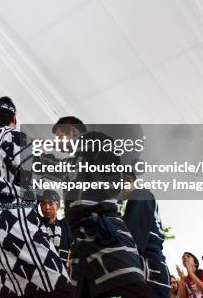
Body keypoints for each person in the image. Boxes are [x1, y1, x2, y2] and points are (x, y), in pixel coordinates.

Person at [0, 97, 74, 298]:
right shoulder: (14, 136)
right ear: (13, 117)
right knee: (57, 284)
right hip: (15, 220)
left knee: (6, 288)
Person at [53, 116, 148, 297]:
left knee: (131, 284)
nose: (57, 143)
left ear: (73, 131)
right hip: (82, 243)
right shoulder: (73, 164)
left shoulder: (96, 143)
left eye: (59, 137)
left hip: (103, 232)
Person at [122, 170, 171, 298]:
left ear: (126, 181)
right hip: (155, 264)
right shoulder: (145, 196)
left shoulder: (140, 194)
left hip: (148, 266)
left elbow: (133, 236)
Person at [39, 190, 71, 273]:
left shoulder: (65, 225)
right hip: (42, 273)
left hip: (63, 274)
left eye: (50, 203)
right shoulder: (36, 224)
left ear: (58, 205)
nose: (47, 207)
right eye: (43, 204)